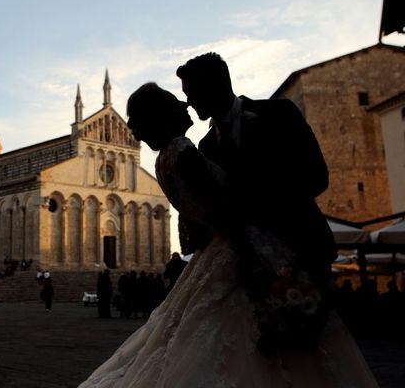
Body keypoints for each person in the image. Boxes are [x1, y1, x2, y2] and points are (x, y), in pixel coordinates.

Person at [78, 82, 378, 387]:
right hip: (239, 252)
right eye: (176, 101)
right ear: (165, 114)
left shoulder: (167, 157)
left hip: (220, 255)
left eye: (187, 97)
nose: (185, 105)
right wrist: (258, 256)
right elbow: (223, 211)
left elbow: (194, 222)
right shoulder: (185, 151)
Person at [176, 52, 337, 285]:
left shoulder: (278, 114)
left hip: (303, 248)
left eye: (192, 92)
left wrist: (263, 213)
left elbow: (317, 176)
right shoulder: (206, 146)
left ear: (216, 85)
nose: (189, 102)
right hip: (250, 266)